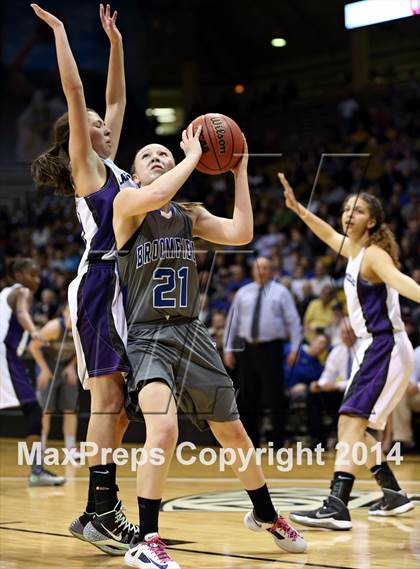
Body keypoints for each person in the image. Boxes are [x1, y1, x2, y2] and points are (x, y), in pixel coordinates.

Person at [101, 130, 307, 568]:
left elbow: (241, 231)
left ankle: (266, 514)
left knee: (233, 432)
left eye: (163, 153)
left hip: (192, 334)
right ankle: (146, 537)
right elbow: (159, 191)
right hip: (148, 335)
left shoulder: (189, 213)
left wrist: (240, 172)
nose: (157, 157)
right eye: (147, 155)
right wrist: (193, 155)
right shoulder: (126, 206)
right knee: (164, 431)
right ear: (133, 173)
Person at [30, 4, 138, 553]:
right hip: (100, 285)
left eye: (100, 122)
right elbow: (79, 94)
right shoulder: (86, 165)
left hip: (123, 287)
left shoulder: (112, 164)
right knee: (106, 401)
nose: (104, 122)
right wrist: (64, 33)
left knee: (118, 407)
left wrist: (116, 43)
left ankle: (99, 508)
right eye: (94, 122)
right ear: (80, 133)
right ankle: (100, 511)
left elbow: (115, 100)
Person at [278, 173, 419, 529]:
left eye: (357, 211)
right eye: (345, 209)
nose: (347, 215)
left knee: (349, 422)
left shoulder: (374, 255)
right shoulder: (355, 251)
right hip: (375, 349)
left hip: (384, 347)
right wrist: (298, 210)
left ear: (371, 221)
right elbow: (327, 234)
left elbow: (401, 283)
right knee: (359, 427)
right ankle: (393, 494)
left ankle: (336, 505)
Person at [224, 256, 303, 450]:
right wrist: (228, 349)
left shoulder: (281, 292)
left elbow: (293, 321)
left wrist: (295, 348)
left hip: (271, 349)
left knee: (275, 395)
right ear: (253, 270)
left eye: (266, 268)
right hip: (247, 350)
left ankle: (277, 441)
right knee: (247, 397)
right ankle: (251, 441)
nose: (262, 271)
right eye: (259, 267)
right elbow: (232, 323)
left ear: (272, 270)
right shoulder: (243, 292)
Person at [0, 258, 65, 487]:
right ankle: (37, 471)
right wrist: (34, 330)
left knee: (32, 411)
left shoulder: (5, 293)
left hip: (8, 355)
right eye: (32, 275)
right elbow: (21, 313)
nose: (36, 281)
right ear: (19, 275)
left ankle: (37, 470)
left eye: (38, 276)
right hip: (5, 355)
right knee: (33, 411)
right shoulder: (22, 292)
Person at [29, 304, 79, 454]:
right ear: (64, 312)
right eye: (70, 311)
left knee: (70, 409)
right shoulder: (53, 327)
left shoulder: (82, 328)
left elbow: (82, 349)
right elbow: (33, 346)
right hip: (49, 364)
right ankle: (41, 446)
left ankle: (70, 448)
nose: (73, 315)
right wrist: (44, 370)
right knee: (46, 410)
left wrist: (71, 366)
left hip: (66, 366)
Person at [308, 320, 358, 449]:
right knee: (314, 397)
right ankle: (318, 442)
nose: (346, 336)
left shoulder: (364, 350)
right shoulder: (337, 351)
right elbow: (327, 374)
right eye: (343, 333)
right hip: (339, 391)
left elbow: (359, 379)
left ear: (356, 333)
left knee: (346, 399)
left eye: (349, 332)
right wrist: (319, 384)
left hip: (357, 392)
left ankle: (344, 440)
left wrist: (336, 386)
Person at [391, 345, 420, 450]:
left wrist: (418, 386)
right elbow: (412, 376)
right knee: (400, 394)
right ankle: (403, 440)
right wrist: (410, 384)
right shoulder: (417, 352)